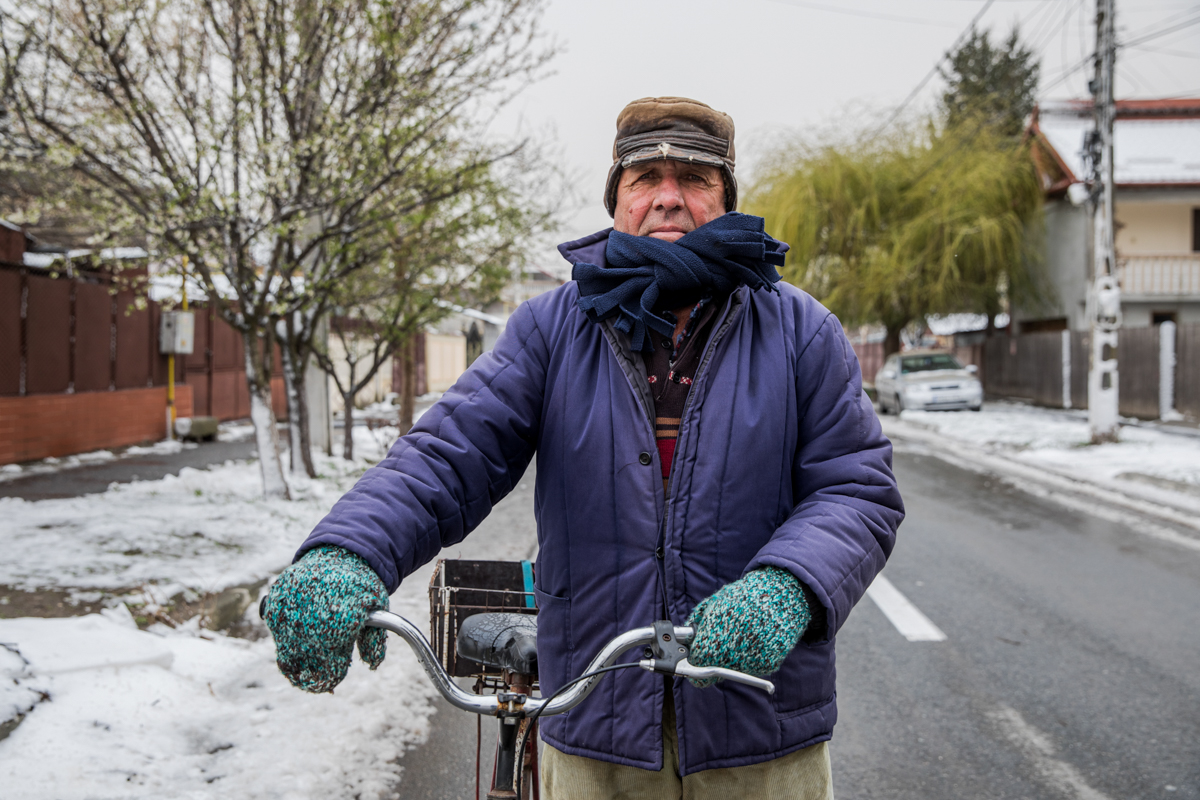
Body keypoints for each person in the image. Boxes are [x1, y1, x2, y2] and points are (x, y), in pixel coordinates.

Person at [263, 96, 904, 799]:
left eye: (693, 178)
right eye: (644, 178)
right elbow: (447, 456)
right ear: (617, 199)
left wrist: (789, 585)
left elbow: (856, 489)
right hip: (594, 720)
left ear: (724, 197)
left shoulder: (799, 331)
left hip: (761, 726)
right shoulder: (551, 328)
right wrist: (347, 551)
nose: (668, 196)